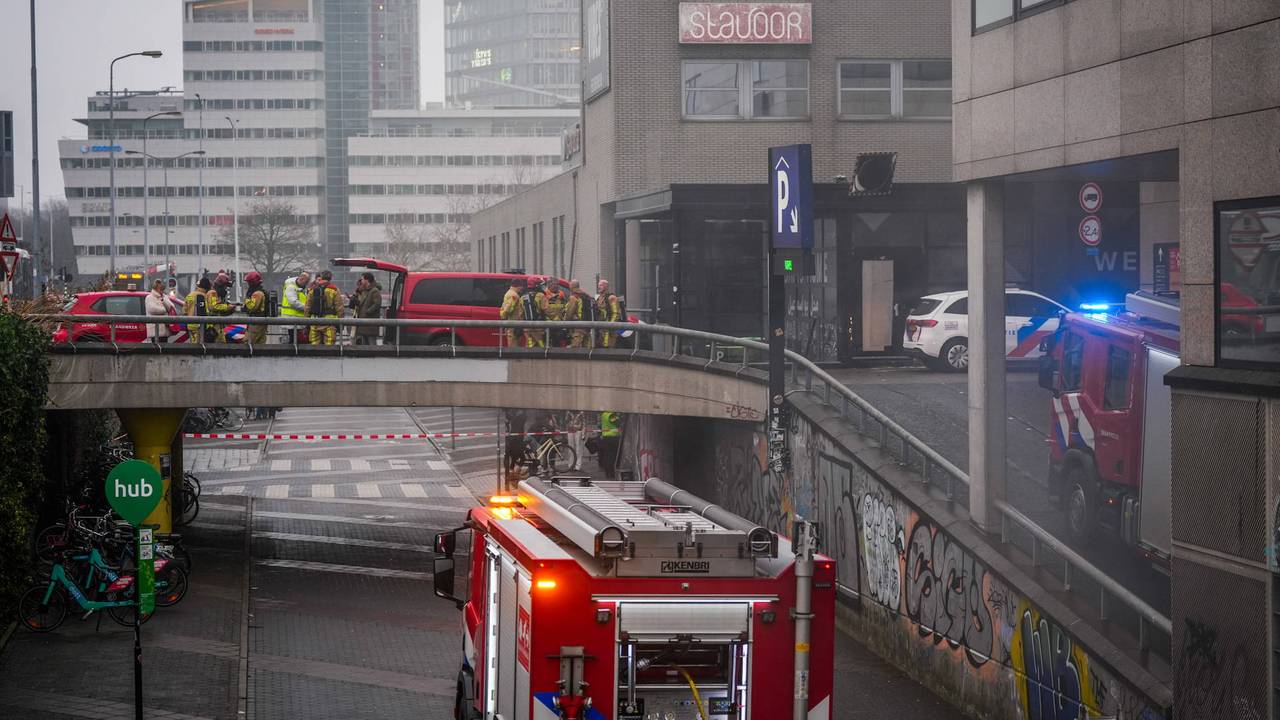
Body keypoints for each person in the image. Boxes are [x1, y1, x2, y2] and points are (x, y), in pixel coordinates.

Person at [306, 270, 342, 345]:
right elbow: (339, 307)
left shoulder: (312, 290)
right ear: (331, 278)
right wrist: (341, 322)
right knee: (329, 346)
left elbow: (307, 307)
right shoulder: (334, 290)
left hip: (314, 322)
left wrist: (307, 321)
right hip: (329, 322)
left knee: (314, 345)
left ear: (321, 277)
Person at [352, 272, 383, 345]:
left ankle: (373, 355)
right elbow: (363, 303)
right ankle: (367, 356)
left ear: (367, 280)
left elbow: (377, 304)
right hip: (364, 322)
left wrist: (367, 311)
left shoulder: (374, 291)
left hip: (370, 323)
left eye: (362, 279)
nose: (361, 281)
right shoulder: (365, 291)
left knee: (371, 343)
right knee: (364, 344)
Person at [280, 271, 311, 344]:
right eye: (306, 282)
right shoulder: (291, 287)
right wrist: (307, 308)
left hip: (297, 320)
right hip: (292, 319)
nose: (306, 284)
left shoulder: (299, 287)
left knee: (297, 341)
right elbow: (294, 302)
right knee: (294, 341)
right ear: (301, 279)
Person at [242, 271, 270, 345]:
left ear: (252, 282)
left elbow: (252, 307)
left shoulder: (257, 293)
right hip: (259, 322)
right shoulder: (260, 292)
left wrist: (246, 299)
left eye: (249, 282)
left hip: (256, 323)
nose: (248, 285)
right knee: (260, 344)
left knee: (248, 342)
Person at [183, 277, 213, 343]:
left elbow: (184, 311)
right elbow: (208, 310)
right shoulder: (205, 296)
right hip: (201, 326)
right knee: (201, 346)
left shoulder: (190, 295)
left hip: (190, 325)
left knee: (193, 345)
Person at [595, 279, 622, 348]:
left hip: (609, 331)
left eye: (601, 285)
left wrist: (610, 325)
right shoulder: (598, 298)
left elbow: (616, 313)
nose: (599, 287)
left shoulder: (611, 298)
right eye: (598, 285)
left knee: (607, 349)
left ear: (606, 287)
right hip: (600, 329)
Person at [564, 279, 590, 348]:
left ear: (571, 286)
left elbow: (569, 313)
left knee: (575, 348)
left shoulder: (573, 297)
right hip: (587, 326)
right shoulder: (586, 296)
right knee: (586, 349)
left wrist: (565, 324)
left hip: (578, 326)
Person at [522, 278, 547, 348]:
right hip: (538, 325)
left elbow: (521, 311)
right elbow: (546, 309)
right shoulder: (540, 295)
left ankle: (528, 356)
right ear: (536, 285)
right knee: (540, 344)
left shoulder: (523, 296)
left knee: (529, 343)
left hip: (527, 326)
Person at [499, 277, 524, 347]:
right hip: (513, 323)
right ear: (518, 286)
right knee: (513, 345)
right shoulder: (514, 295)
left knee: (512, 343)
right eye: (521, 286)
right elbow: (508, 309)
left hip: (511, 323)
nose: (522, 288)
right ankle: (514, 357)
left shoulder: (509, 293)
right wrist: (503, 316)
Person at [598, 410, 622, 479]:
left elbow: (600, 425)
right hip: (613, 438)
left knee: (607, 456)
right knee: (612, 457)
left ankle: (607, 474)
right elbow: (617, 423)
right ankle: (611, 474)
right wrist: (618, 418)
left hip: (605, 437)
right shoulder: (611, 415)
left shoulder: (604, 414)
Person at [504, 408, 528, 473]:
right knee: (520, 457)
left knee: (514, 456)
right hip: (516, 439)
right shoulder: (520, 417)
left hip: (513, 438)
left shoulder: (516, 417)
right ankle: (513, 470)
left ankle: (512, 470)